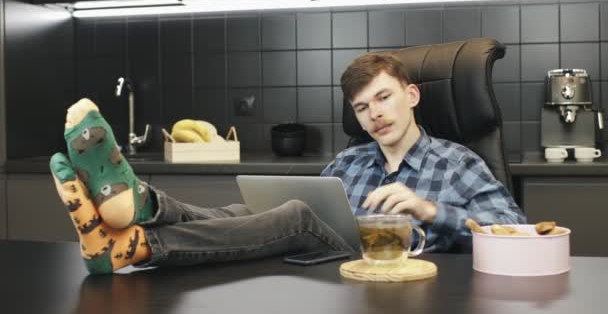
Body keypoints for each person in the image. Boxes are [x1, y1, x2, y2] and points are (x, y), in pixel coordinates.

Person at [50, 52, 525, 274]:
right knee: (244, 215)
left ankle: (139, 235)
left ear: (412, 95)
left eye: (384, 98)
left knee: (296, 213)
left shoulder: (458, 160)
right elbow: (274, 226)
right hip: (331, 275)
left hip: (406, 286)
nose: (375, 113)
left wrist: (428, 210)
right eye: (362, 107)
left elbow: (517, 233)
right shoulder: (349, 162)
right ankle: (139, 217)